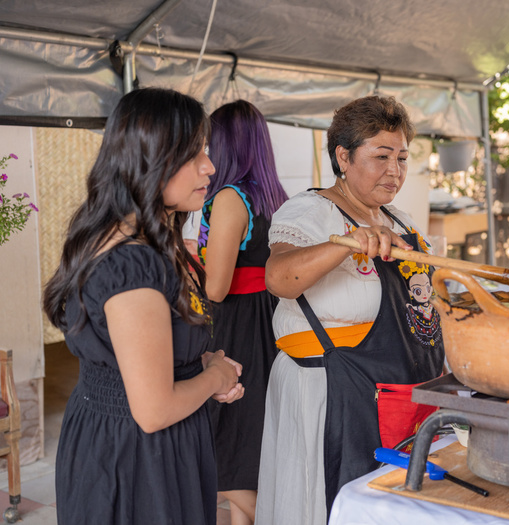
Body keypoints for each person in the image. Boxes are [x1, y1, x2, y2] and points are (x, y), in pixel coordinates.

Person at [42, 87, 244, 525]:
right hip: (136, 458)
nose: (208, 166)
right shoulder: (131, 263)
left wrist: (202, 361)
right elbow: (153, 411)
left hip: (133, 443)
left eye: (205, 151)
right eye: (192, 155)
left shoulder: (145, 242)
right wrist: (213, 377)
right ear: (150, 162)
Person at [255, 95, 445, 525]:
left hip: (393, 391)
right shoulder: (311, 211)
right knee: (324, 504)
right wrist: (346, 243)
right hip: (327, 389)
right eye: (381, 156)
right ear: (343, 156)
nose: (394, 170)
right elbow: (279, 277)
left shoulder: (400, 221)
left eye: (401, 157)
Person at [196, 100, 288, 525]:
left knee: (222, 447)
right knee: (249, 448)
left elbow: (216, 285)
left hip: (235, 328)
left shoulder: (231, 198)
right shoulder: (273, 196)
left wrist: (185, 259)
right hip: (268, 323)